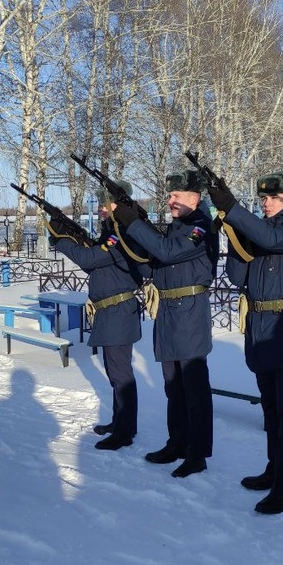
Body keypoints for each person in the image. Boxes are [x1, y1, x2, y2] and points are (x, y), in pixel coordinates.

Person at [208, 171, 283, 514]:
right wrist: (235, 231)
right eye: (261, 199)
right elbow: (237, 276)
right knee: (271, 410)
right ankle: (274, 470)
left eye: (270, 198)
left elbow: (272, 241)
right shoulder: (263, 230)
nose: (265, 203)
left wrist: (237, 212)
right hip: (260, 328)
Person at [112, 170, 219, 477]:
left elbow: (169, 252)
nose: (170, 201)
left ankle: (197, 453)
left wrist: (135, 223)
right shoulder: (177, 227)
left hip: (189, 311)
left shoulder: (200, 226)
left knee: (194, 387)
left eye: (176, 196)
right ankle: (177, 442)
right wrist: (129, 227)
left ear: (194, 198)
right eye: (169, 196)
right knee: (173, 385)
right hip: (170, 311)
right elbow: (154, 264)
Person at [51, 181, 150, 451]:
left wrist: (61, 242)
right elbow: (97, 266)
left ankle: (125, 431)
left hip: (118, 311)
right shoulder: (111, 232)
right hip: (110, 311)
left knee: (121, 374)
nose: (103, 210)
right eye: (102, 205)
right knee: (114, 371)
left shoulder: (123, 234)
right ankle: (120, 422)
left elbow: (90, 260)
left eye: (109, 205)